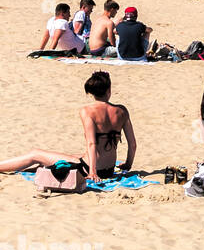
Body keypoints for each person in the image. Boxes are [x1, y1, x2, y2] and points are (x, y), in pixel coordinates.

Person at [0, 70, 136, 182]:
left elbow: (92, 144)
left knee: (35, 154)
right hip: (109, 169)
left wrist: (93, 172)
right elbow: (133, 144)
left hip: (89, 168)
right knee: (69, 157)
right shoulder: (122, 111)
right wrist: (127, 165)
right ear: (109, 90)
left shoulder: (88, 111)